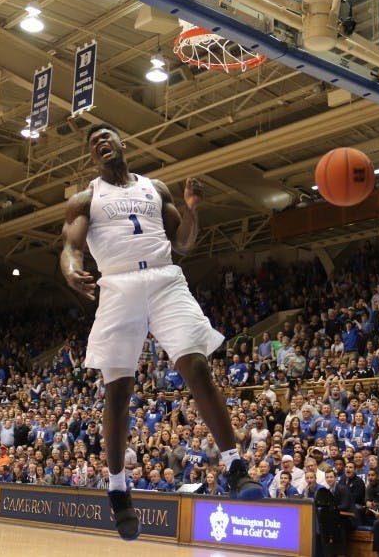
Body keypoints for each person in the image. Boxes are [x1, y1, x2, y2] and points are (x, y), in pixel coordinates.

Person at [59, 124, 263, 539]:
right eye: (93, 141)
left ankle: (234, 465)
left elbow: (184, 244)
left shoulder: (156, 188)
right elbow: (71, 248)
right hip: (116, 285)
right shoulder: (87, 198)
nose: (100, 141)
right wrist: (70, 273)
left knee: (197, 367)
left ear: (123, 143)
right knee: (118, 392)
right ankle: (118, 490)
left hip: (166, 278)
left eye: (106, 135)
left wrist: (192, 208)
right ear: (92, 156)